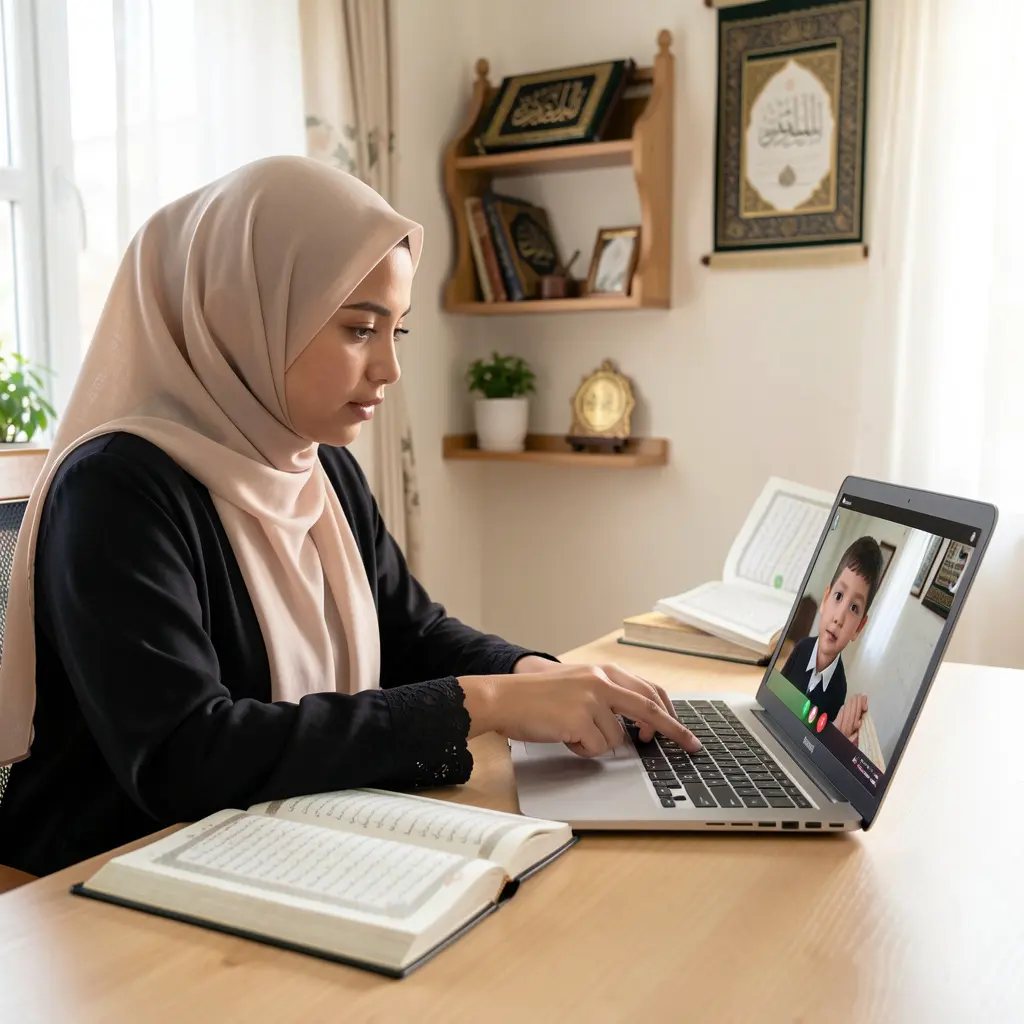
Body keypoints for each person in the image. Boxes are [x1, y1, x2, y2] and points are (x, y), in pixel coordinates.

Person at [0, 157, 698, 877]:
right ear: (250, 314)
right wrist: (486, 702)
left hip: (280, 851)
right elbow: (187, 757)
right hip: (103, 883)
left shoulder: (320, 465)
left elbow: (413, 634)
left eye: (396, 333)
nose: (389, 370)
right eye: (360, 330)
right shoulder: (114, 490)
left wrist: (539, 676)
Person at [779, 536, 883, 742]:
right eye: (838, 596)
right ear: (825, 600)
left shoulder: (838, 688)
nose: (839, 618)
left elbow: (817, 742)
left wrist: (834, 735)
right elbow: (775, 698)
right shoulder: (801, 648)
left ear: (858, 628)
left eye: (854, 608)